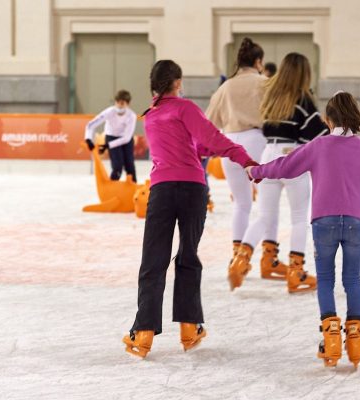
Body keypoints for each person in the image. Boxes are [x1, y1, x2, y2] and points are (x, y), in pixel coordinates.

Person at [246, 92, 360, 369]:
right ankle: (355, 339)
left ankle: (332, 337)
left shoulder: (318, 146)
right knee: (352, 279)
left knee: (325, 279)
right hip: (356, 222)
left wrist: (257, 172)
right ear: (356, 117)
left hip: (323, 221)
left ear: (327, 119)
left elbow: (285, 166)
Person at [121, 60, 256, 359]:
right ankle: (189, 326)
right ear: (177, 82)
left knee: (153, 259)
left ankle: (142, 333)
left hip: (163, 191)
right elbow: (210, 139)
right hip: (193, 190)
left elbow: (192, 146)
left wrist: (214, 149)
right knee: (188, 256)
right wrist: (244, 158)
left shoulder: (152, 115)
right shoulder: (185, 109)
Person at [227, 52, 328, 293]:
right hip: (293, 158)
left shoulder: (270, 97)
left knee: (263, 216)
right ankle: (296, 271)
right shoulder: (303, 100)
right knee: (299, 217)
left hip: (268, 156)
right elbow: (316, 135)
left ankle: (241, 260)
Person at [206, 37, 270, 264]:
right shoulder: (264, 83)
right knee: (267, 203)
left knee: (241, 204)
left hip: (229, 143)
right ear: (258, 61)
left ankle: (236, 252)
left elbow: (209, 122)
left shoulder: (225, 86)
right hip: (257, 141)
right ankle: (263, 255)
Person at [84, 90, 137, 182]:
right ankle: (111, 188)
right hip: (111, 136)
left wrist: (108, 145)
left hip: (126, 140)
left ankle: (133, 189)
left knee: (130, 166)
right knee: (117, 167)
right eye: (117, 102)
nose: (119, 105)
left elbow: (126, 138)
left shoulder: (131, 116)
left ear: (127, 104)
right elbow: (90, 125)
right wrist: (88, 139)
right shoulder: (109, 112)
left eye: (122, 103)